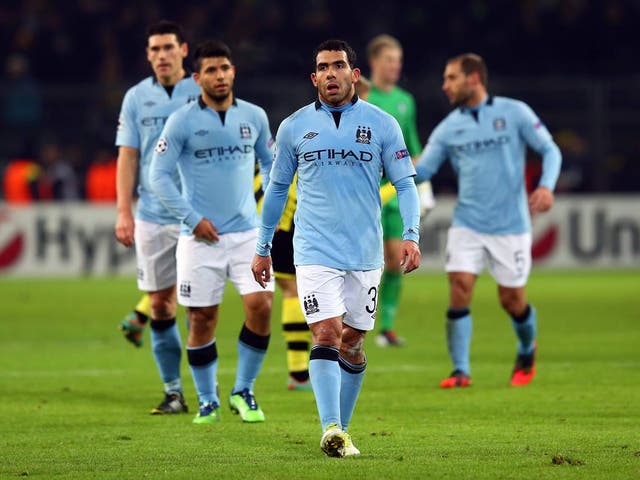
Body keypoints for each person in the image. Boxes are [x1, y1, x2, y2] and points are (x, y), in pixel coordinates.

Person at [251, 39, 421, 457]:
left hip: (364, 253)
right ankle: (330, 428)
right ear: (314, 78)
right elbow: (275, 189)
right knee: (326, 333)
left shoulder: (382, 124)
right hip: (313, 249)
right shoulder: (293, 127)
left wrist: (412, 234)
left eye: (339, 66)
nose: (331, 73)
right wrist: (263, 245)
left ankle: (342, 428)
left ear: (354, 74)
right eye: (323, 67)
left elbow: (405, 184)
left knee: (354, 341)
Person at [414, 53, 562, 388]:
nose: (445, 85)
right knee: (459, 287)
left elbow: (551, 150)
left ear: (474, 78)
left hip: (511, 225)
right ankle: (460, 370)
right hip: (468, 222)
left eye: (451, 78)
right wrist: (389, 163)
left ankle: (527, 347)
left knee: (512, 300)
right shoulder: (450, 127)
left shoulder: (514, 112)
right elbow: (424, 168)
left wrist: (546, 187)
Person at [149, 40, 275, 425]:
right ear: (197, 77)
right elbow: (158, 176)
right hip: (199, 239)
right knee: (202, 318)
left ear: (233, 71)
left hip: (247, 236)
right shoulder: (182, 121)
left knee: (262, 307)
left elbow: (272, 167)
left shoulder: (254, 116)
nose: (220, 76)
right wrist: (191, 218)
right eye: (211, 71)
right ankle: (207, 399)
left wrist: (267, 207)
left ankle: (244, 390)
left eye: (225, 68)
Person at [114, 20, 200, 413]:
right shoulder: (135, 98)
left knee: (201, 306)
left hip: (198, 214)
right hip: (150, 213)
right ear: (148, 55)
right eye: (154, 49)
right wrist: (123, 211)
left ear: (183, 50)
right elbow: (128, 157)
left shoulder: (201, 89)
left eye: (168, 47)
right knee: (162, 305)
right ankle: (173, 392)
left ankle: (212, 392)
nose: (161, 55)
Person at [364, 34, 436, 347]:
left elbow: (412, 146)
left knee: (393, 259)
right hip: (365, 191)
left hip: (392, 194)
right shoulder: (362, 97)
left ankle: (387, 326)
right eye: (390, 60)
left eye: (398, 60)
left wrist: (422, 181)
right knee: (364, 260)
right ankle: (355, 321)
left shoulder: (406, 101)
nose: (395, 66)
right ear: (374, 62)